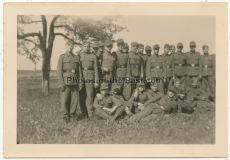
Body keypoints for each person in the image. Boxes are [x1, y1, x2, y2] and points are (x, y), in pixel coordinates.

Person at [57, 40, 83, 123]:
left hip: (75, 81)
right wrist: (61, 83)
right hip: (65, 82)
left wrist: (80, 82)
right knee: (65, 100)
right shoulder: (62, 57)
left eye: (72, 46)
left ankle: (72, 116)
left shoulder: (76, 57)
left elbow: (79, 71)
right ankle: (65, 117)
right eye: (69, 45)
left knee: (74, 101)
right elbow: (59, 71)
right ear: (66, 46)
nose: (70, 47)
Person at [79, 40, 99, 120]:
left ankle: (90, 115)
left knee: (90, 97)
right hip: (81, 77)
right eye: (85, 46)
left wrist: (96, 81)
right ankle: (84, 114)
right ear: (82, 47)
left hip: (90, 77)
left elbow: (96, 69)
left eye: (88, 46)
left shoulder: (93, 56)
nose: (86, 48)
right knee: (81, 97)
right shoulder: (79, 56)